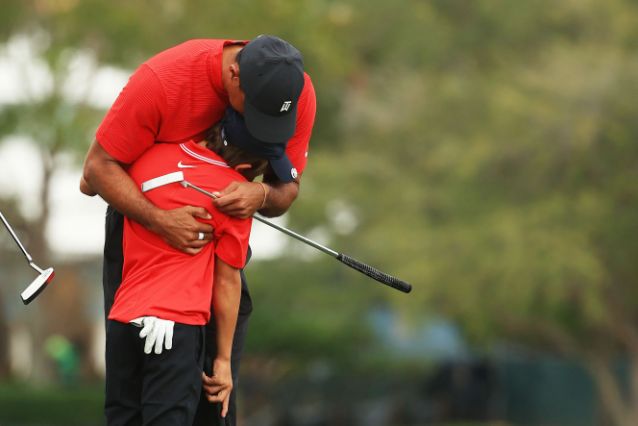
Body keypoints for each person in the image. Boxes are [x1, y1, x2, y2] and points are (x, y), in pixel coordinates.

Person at [80, 35, 316, 425]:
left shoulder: (294, 90)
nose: (266, 127)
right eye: (256, 113)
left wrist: (258, 193)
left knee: (211, 396)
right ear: (234, 75)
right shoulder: (162, 81)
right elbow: (95, 171)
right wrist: (159, 218)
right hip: (140, 230)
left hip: (217, 236)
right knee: (136, 402)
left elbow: (286, 188)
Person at [105, 108, 294, 425]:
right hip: (175, 328)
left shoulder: (151, 154)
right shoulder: (235, 196)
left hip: (122, 322)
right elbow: (227, 282)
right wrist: (222, 360)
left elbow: (90, 180)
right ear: (246, 167)